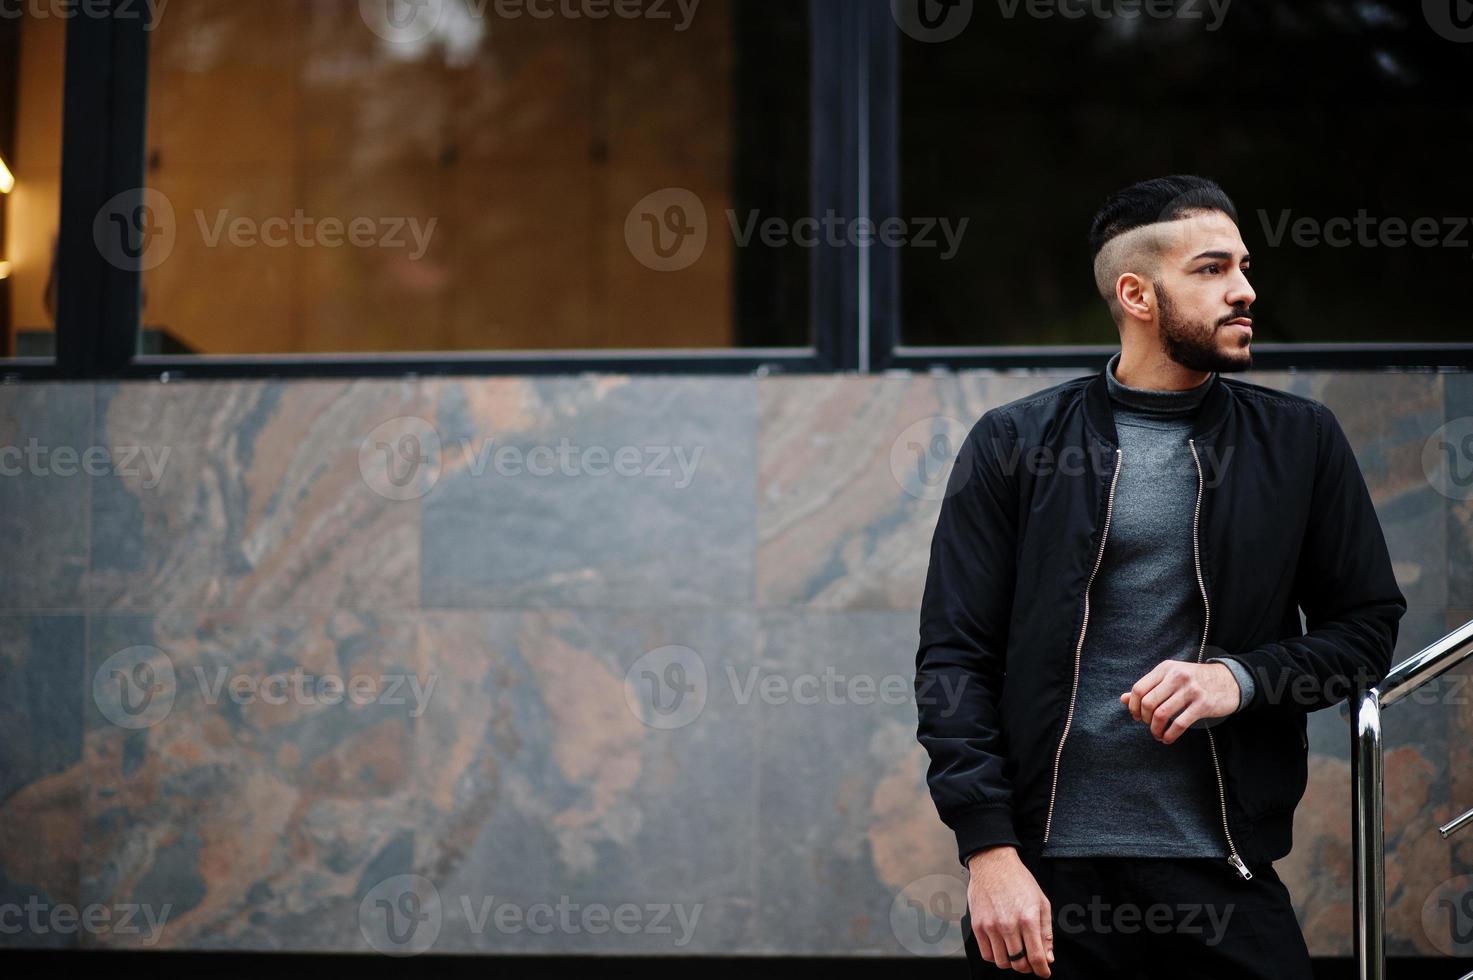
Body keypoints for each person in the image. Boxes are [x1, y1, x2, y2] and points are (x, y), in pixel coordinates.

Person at [913, 175, 1407, 978]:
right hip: (1046, 882)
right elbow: (954, 660)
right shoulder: (1016, 442)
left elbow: (1365, 630)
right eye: (1212, 270)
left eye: (1243, 267)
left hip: (1222, 872)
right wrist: (988, 854)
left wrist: (1240, 679)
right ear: (1136, 293)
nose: (1244, 291)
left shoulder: (1296, 442)